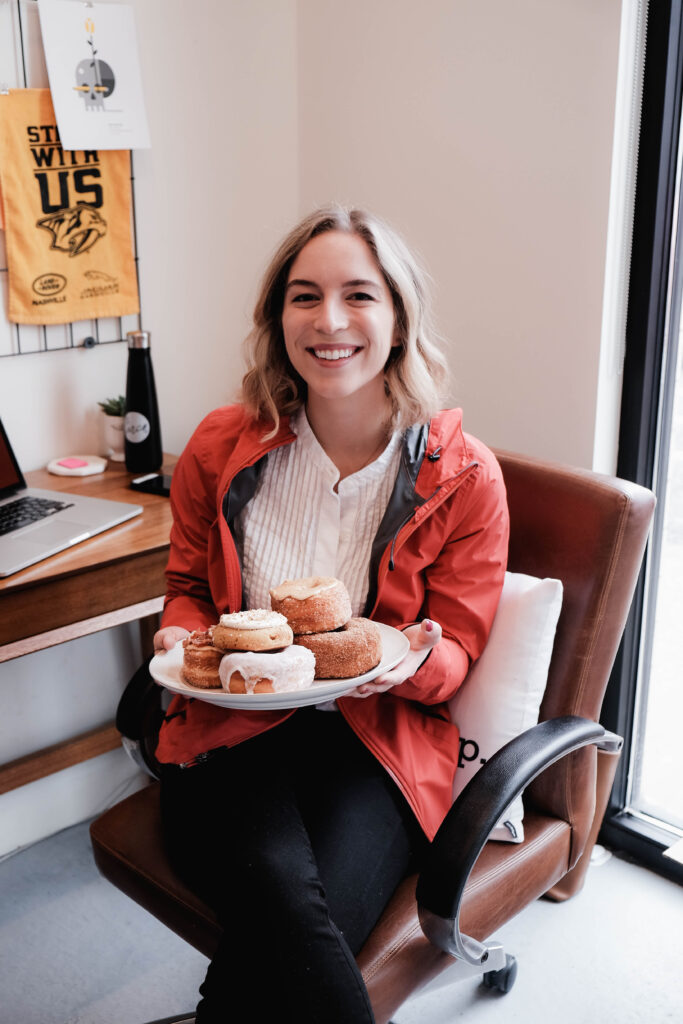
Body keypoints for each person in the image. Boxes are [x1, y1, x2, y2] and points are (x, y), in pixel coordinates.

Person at [153, 205, 509, 1023]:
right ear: (278, 320)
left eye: (359, 294)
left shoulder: (464, 477)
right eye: (304, 296)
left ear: (398, 317)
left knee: (285, 942)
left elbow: (456, 650)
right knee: (284, 901)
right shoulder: (219, 446)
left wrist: (417, 656)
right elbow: (189, 589)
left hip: (373, 741)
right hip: (229, 722)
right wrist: (177, 629)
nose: (330, 321)